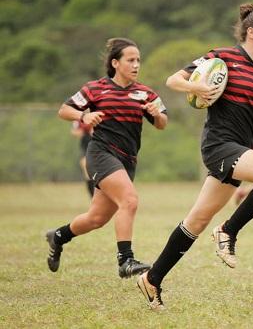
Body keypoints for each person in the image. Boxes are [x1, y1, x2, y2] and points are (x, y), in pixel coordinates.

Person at [137, 3, 253, 310]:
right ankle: (228, 230)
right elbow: (173, 80)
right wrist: (196, 86)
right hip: (219, 146)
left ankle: (152, 279)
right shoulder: (222, 58)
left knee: (197, 220)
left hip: (241, 149)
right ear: (251, 32)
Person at [45, 37, 168, 278]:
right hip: (101, 154)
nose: (136, 65)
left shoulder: (145, 93)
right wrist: (83, 117)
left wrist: (157, 114)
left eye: (138, 60)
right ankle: (126, 261)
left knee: (96, 218)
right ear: (115, 63)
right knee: (130, 200)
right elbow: (64, 110)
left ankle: (57, 236)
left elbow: (162, 123)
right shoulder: (95, 88)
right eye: (130, 60)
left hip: (127, 160)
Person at [71, 119, 94, 197]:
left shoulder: (98, 113)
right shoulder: (79, 118)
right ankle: (93, 196)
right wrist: (84, 131)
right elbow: (74, 132)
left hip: (98, 146)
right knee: (86, 168)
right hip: (86, 147)